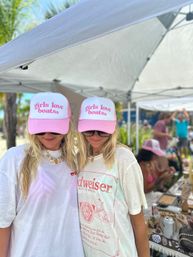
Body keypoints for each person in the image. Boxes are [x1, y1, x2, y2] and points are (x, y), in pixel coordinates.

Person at [0, 92, 84, 257]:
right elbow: (3, 222)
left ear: (68, 124)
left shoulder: (77, 161)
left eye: (54, 127)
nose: (47, 133)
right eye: (41, 127)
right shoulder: (14, 159)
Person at [77, 96, 150, 257]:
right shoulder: (80, 159)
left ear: (113, 129)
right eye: (89, 129)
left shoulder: (124, 159)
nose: (95, 135)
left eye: (102, 130)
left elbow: (138, 222)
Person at [136, 139, 175, 217]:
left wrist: (166, 173)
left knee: (171, 202)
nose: (157, 157)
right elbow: (145, 190)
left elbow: (156, 182)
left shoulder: (150, 164)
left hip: (149, 196)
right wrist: (161, 178)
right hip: (143, 201)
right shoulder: (142, 166)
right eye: (156, 155)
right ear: (151, 155)